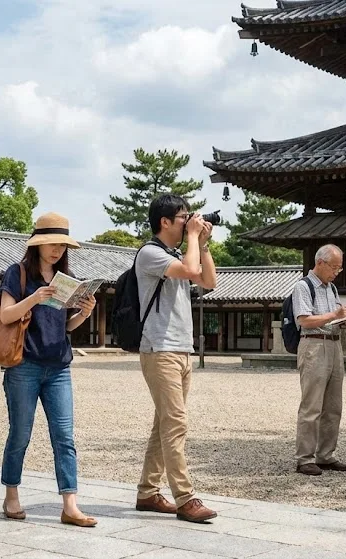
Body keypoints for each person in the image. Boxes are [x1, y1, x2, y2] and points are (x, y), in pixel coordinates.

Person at [0, 212, 98, 528]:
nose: (57, 250)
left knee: (65, 436)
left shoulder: (64, 279)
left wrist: (83, 314)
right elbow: (5, 316)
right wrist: (36, 298)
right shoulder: (18, 274)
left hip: (58, 367)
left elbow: (63, 328)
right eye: (51, 244)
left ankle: (70, 504)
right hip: (23, 365)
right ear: (37, 244)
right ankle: (11, 494)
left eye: (62, 245)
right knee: (20, 433)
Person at [134, 194, 218, 524]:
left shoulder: (176, 253)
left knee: (164, 425)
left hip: (180, 350)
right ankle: (185, 498)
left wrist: (204, 242)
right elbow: (190, 269)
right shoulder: (151, 254)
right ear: (164, 222)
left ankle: (147, 492)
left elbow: (208, 281)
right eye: (183, 217)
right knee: (176, 424)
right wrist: (194, 239)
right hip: (160, 350)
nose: (188, 222)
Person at [292, 244, 346, 476]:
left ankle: (326, 455)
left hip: (334, 344)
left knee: (333, 405)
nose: (337, 272)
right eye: (334, 267)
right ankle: (304, 458)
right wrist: (334, 315)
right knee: (312, 405)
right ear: (320, 263)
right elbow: (304, 320)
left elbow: (332, 318)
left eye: (339, 268)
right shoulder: (303, 286)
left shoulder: (331, 288)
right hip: (314, 345)